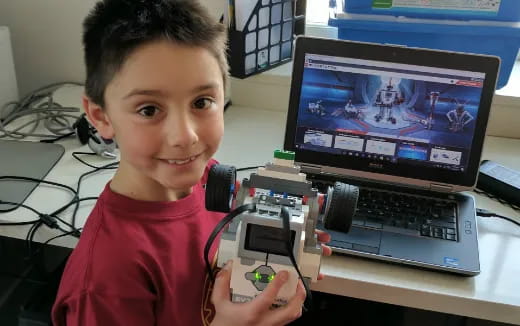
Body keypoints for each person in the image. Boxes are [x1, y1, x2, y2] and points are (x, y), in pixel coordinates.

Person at [51, 1, 331, 325]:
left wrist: (286, 243)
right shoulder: (105, 277)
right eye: (149, 110)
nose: (185, 137)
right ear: (101, 116)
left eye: (201, 102)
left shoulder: (210, 179)